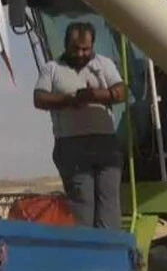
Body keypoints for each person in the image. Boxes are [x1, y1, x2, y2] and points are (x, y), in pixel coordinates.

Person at [32, 21, 128, 230]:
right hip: (72, 146)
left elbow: (121, 91)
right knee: (82, 205)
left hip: (105, 145)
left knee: (109, 204)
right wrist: (70, 100)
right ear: (66, 46)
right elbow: (39, 98)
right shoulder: (52, 68)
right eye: (76, 49)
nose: (82, 53)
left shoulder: (104, 65)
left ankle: (109, 254)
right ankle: (87, 255)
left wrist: (95, 95)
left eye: (86, 49)